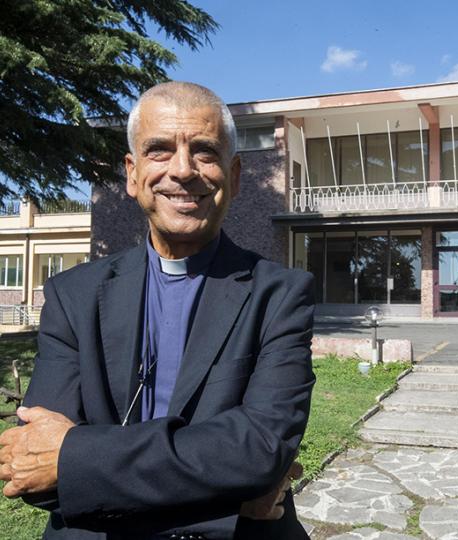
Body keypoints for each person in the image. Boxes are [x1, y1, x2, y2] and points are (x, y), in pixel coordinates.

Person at [0, 82, 315, 539]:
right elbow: (35, 466)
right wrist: (231, 499)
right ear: (132, 174)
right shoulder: (72, 295)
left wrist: (77, 463)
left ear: (235, 176)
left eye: (205, 152)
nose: (183, 170)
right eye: (160, 150)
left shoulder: (280, 295)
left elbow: (261, 450)